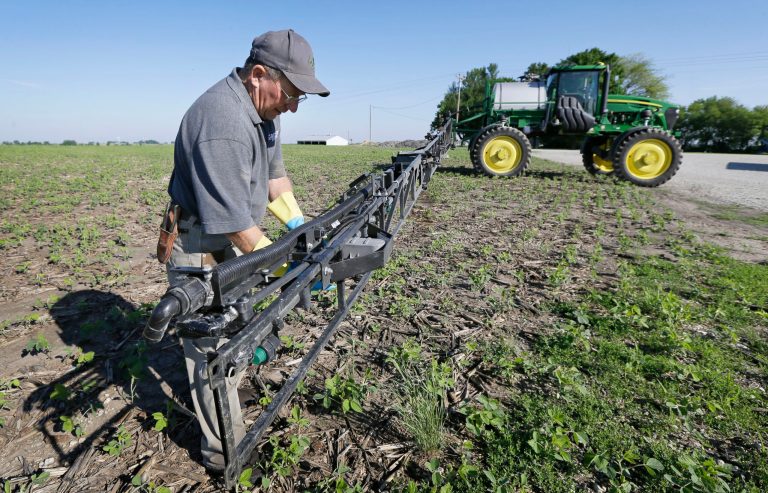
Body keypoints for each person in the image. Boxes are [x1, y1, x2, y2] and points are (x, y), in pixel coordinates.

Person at [161, 29, 329, 472]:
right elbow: (236, 225)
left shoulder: (265, 111)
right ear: (258, 75)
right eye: (290, 93)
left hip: (238, 231)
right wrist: (286, 270)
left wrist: (299, 229)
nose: (292, 105)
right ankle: (225, 452)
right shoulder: (222, 123)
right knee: (207, 342)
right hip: (202, 241)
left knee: (240, 316)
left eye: (299, 97)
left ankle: (230, 395)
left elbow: (274, 180)